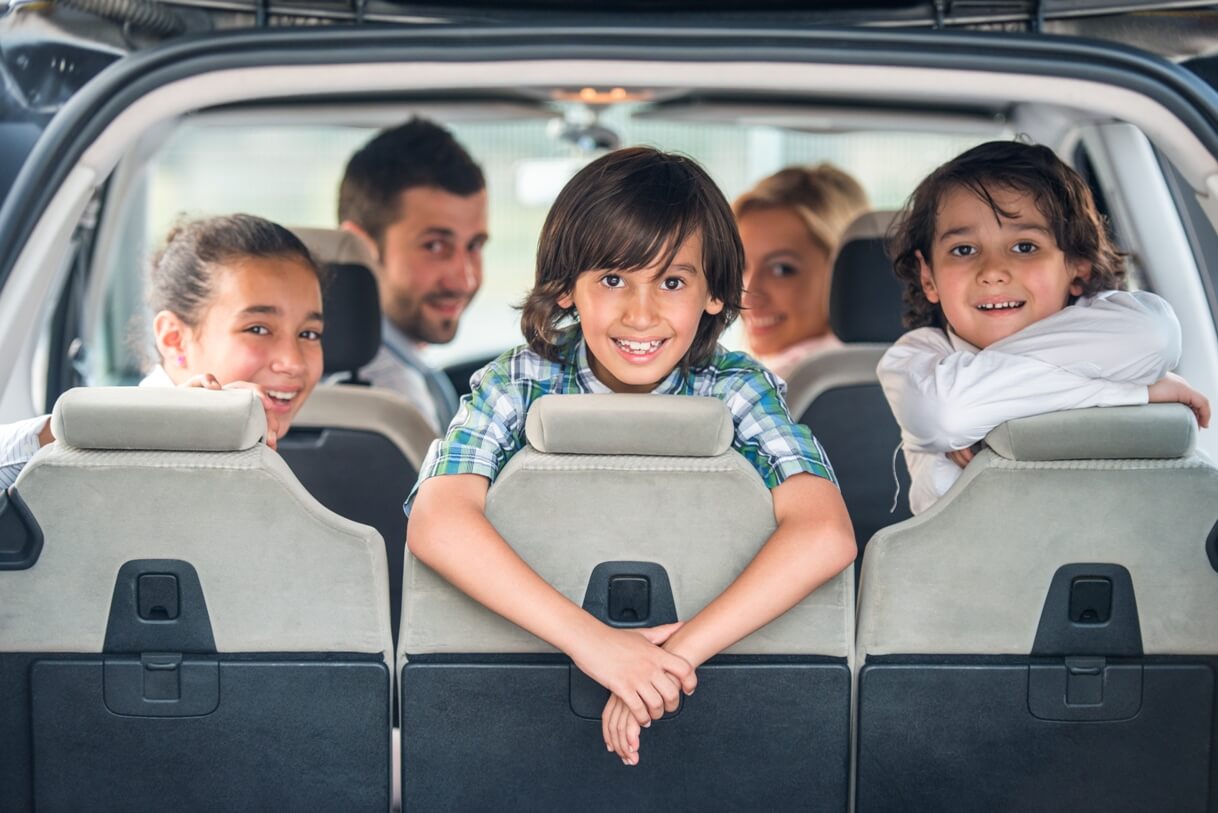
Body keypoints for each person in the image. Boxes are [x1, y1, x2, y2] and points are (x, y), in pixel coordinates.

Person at [406, 147, 856, 766]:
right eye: (613, 279)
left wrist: (667, 661)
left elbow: (826, 533)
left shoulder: (737, 387)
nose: (640, 314)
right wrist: (597, 647)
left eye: (672, 282)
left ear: (714, 295)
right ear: (567, 289)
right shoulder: (516, 381)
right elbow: (437, 521)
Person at [878, 140, 1211, 515]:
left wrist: (987, 410)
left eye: (1024, 247)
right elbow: (947, 414)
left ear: (1078, 264)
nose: (992, 272)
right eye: (964, 250)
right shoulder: (915, 358)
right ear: (928, 277)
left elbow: (1156, 335)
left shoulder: (1108, 321)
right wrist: (1132, 392)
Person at [0, 213, 327, 490]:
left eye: (309, 334)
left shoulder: (302, 464)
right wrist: (158, 422)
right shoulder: (95, 447)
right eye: (257, 329)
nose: (293, 363)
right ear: (174, 339)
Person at [337, 117, 488, 433]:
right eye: (434, 246)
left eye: (474, 246)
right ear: (362, 247)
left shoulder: (405, 367)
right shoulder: (393, 398)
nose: (465, 279)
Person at [733, 164, 870, 379]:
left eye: (781, 269)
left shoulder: (772, 393)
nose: (747, 296)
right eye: (740, 266)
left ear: (843, 273)